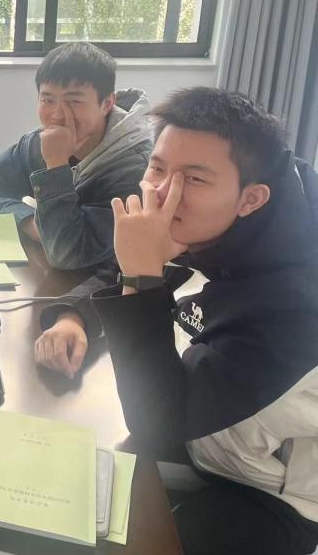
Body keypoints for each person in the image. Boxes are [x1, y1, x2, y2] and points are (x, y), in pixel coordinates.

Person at [35, 88, 318, 555]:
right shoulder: (225, 221)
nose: (164, 192)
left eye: (195, 179)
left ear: (251, 198)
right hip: (204, 439)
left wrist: (141, 277)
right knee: (52, 487)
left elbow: (157, 422)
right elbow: (138, 261)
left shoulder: (294, 309)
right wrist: (73, 316)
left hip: (271, 496)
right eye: (158, 168)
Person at [0, 42, 151, 270]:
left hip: (111, 283)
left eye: (74, 101)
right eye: (47, 100)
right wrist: (30, 222)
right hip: (49, 280)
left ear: (106, 104)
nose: (57, 115)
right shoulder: (40, 143)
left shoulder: (134, 169)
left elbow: (67, 253)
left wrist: (55, 164)